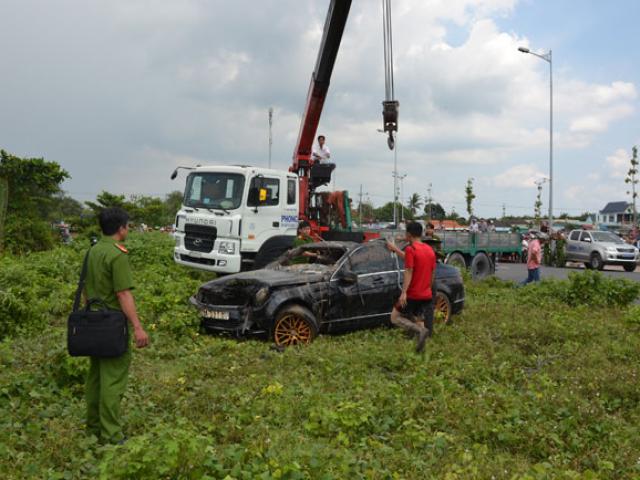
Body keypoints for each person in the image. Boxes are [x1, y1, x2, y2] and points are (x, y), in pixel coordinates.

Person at [84, 207, 149, 443]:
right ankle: (111, 435)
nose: (128, 229)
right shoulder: (117, 254)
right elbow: (123, 294)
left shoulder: (93, 251)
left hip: (92, 322)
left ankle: (93, 428)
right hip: (112, 326)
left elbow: (85, 289)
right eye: (128, 225)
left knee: (96, 377)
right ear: (121, 229)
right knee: (112, 379)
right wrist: (138, 327)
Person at [386, 221, 436, 353]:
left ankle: (420, 331)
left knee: (395, 318)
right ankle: (421, 351)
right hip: (426, 293)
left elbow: (409, 271)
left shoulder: (410, 249)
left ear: (408, 234)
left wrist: (404, 293)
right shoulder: (429, 250)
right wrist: (428, 288)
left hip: (414, 294)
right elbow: (432, 272)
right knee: (419, 319)